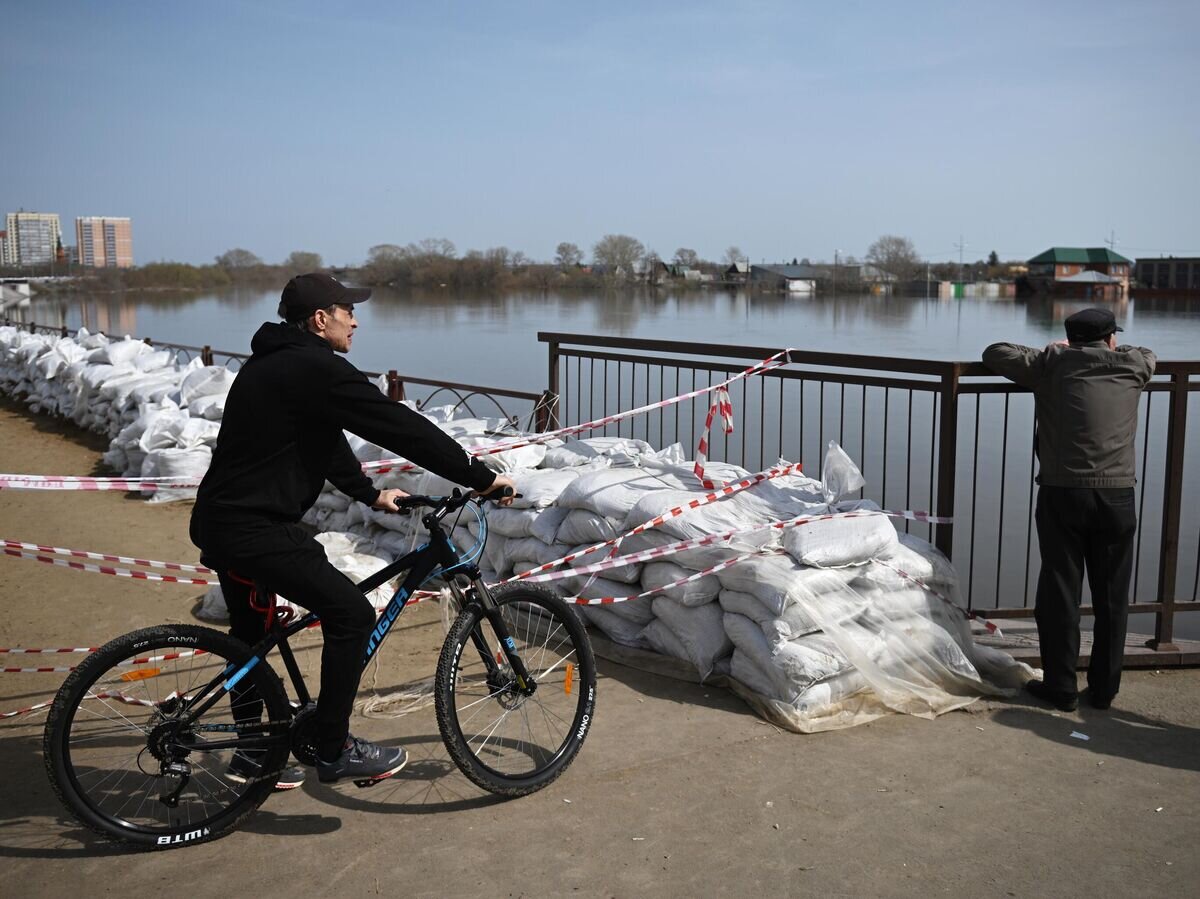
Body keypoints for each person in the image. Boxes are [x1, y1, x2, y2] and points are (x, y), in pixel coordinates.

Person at [190, 272, 514, 788]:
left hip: (224, 521)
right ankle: (334, 748)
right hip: (255, 529)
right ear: (321, 320)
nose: (356, 320)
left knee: (251, 635)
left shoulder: (275, 362)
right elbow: (400, 426)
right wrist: (480, 477)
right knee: (352, 614)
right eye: (348, 311)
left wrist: (368, 494)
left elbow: (320, 438)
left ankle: (252, 754)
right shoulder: (315, 367)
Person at [983, 308, 1155, 712]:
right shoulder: (1133, 364)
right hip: (1117, 496)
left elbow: (995, 352)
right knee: (1112, 594)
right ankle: (1104, 690)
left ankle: (1061, 685)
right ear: (1111, 338)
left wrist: (1053, 351)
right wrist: (1114, 348)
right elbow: (1148, 353)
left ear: (1069, 338)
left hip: (1063, 493)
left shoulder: (1052, 364)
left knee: (1060, 589)